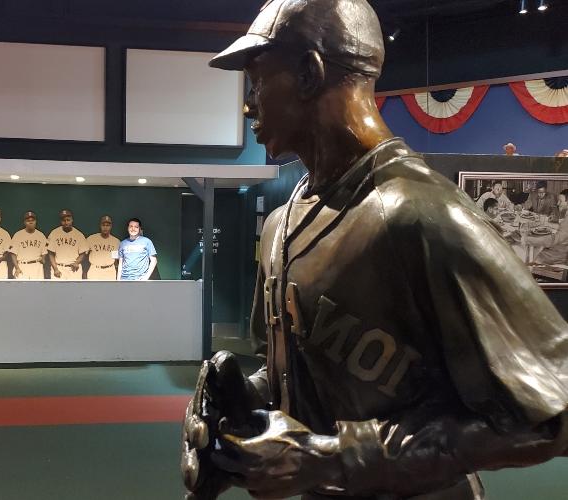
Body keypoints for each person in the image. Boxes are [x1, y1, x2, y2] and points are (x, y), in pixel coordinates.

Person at [181, 2, 568, 499]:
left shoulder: (424, 215)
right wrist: (238, 411)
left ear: (308, 73)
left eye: (257, 81)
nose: (249, 104)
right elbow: (299, 372)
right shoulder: (282, 223)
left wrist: (332, 458)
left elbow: (550, 417)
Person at [46, 209, 88, 280]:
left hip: (73, 269)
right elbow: (50, 253)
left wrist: (77, 262)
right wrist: (55, 268)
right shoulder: (54, 233)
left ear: (72, 220)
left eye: (68, 220)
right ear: (61, 221)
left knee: (75, 290)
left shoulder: (79, 234)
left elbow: (83, 252)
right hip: (59, 268)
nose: (66, 222)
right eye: (63, 220)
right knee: (57, 290)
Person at [8, 211, 48, 279]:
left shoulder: (41, 235)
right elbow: (13, 254)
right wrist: (17, 268)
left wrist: (43, 258)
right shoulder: (18, 235)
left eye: (32, 220)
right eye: (28, 220)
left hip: (36, 266)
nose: (30, 222)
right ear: (24, 222)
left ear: (35, 221)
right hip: (22, 266)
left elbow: (44, 251)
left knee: (37, 289)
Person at [85, 215, 120, 280]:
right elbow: (84, 254)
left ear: (111, 226)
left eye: (107, 225)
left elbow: (116, 259)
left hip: (110, 271)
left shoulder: (116, 241)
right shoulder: (91, 239)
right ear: (100, 226)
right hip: (95, 270)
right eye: (103, 225)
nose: (105, 227)